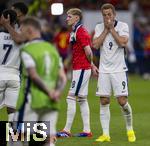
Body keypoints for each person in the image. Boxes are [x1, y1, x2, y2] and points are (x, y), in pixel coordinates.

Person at [14, 16, 66, 146]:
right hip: (50, 102)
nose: (20, 34)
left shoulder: (27, 49)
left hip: (31, 102)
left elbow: (33, 75)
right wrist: (56, 92)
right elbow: (63, 77)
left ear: (30, 30)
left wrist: (49, 92)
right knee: (46, 140)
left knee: (17, 138)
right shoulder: (52, 49)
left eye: (22, 30)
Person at [93, 3, 136, 142]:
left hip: (119, 70)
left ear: (114, 14)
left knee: (122, 101)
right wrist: (106, 30)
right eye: (104, 15)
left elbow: (123, 42)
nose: (107, 17)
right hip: (104, 69)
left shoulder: (123, 26)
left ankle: (130, 129)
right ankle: (106, 134)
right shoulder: (99, 27)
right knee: (104, 100)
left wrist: (111, 30)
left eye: (109, 14)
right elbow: (95, 44)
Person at [57, 8, 98, 137]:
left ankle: (66, 130)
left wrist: (90, 66)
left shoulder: (81, 32)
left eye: (69, 16)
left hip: (81, 68)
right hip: (79, 68)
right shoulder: (75, 31)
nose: (66, 18)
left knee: (71, 97)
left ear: (77, 18)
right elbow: (81, 51)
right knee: (81, 99)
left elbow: (89, 51)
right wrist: (91, 65)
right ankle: (87, 131)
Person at [0, 9, 19, 123]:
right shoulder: (20, 36)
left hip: (0, 74)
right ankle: (15, 139)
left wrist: (6, 25)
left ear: (5, 19)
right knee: (12, 110)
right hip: (14, 76)